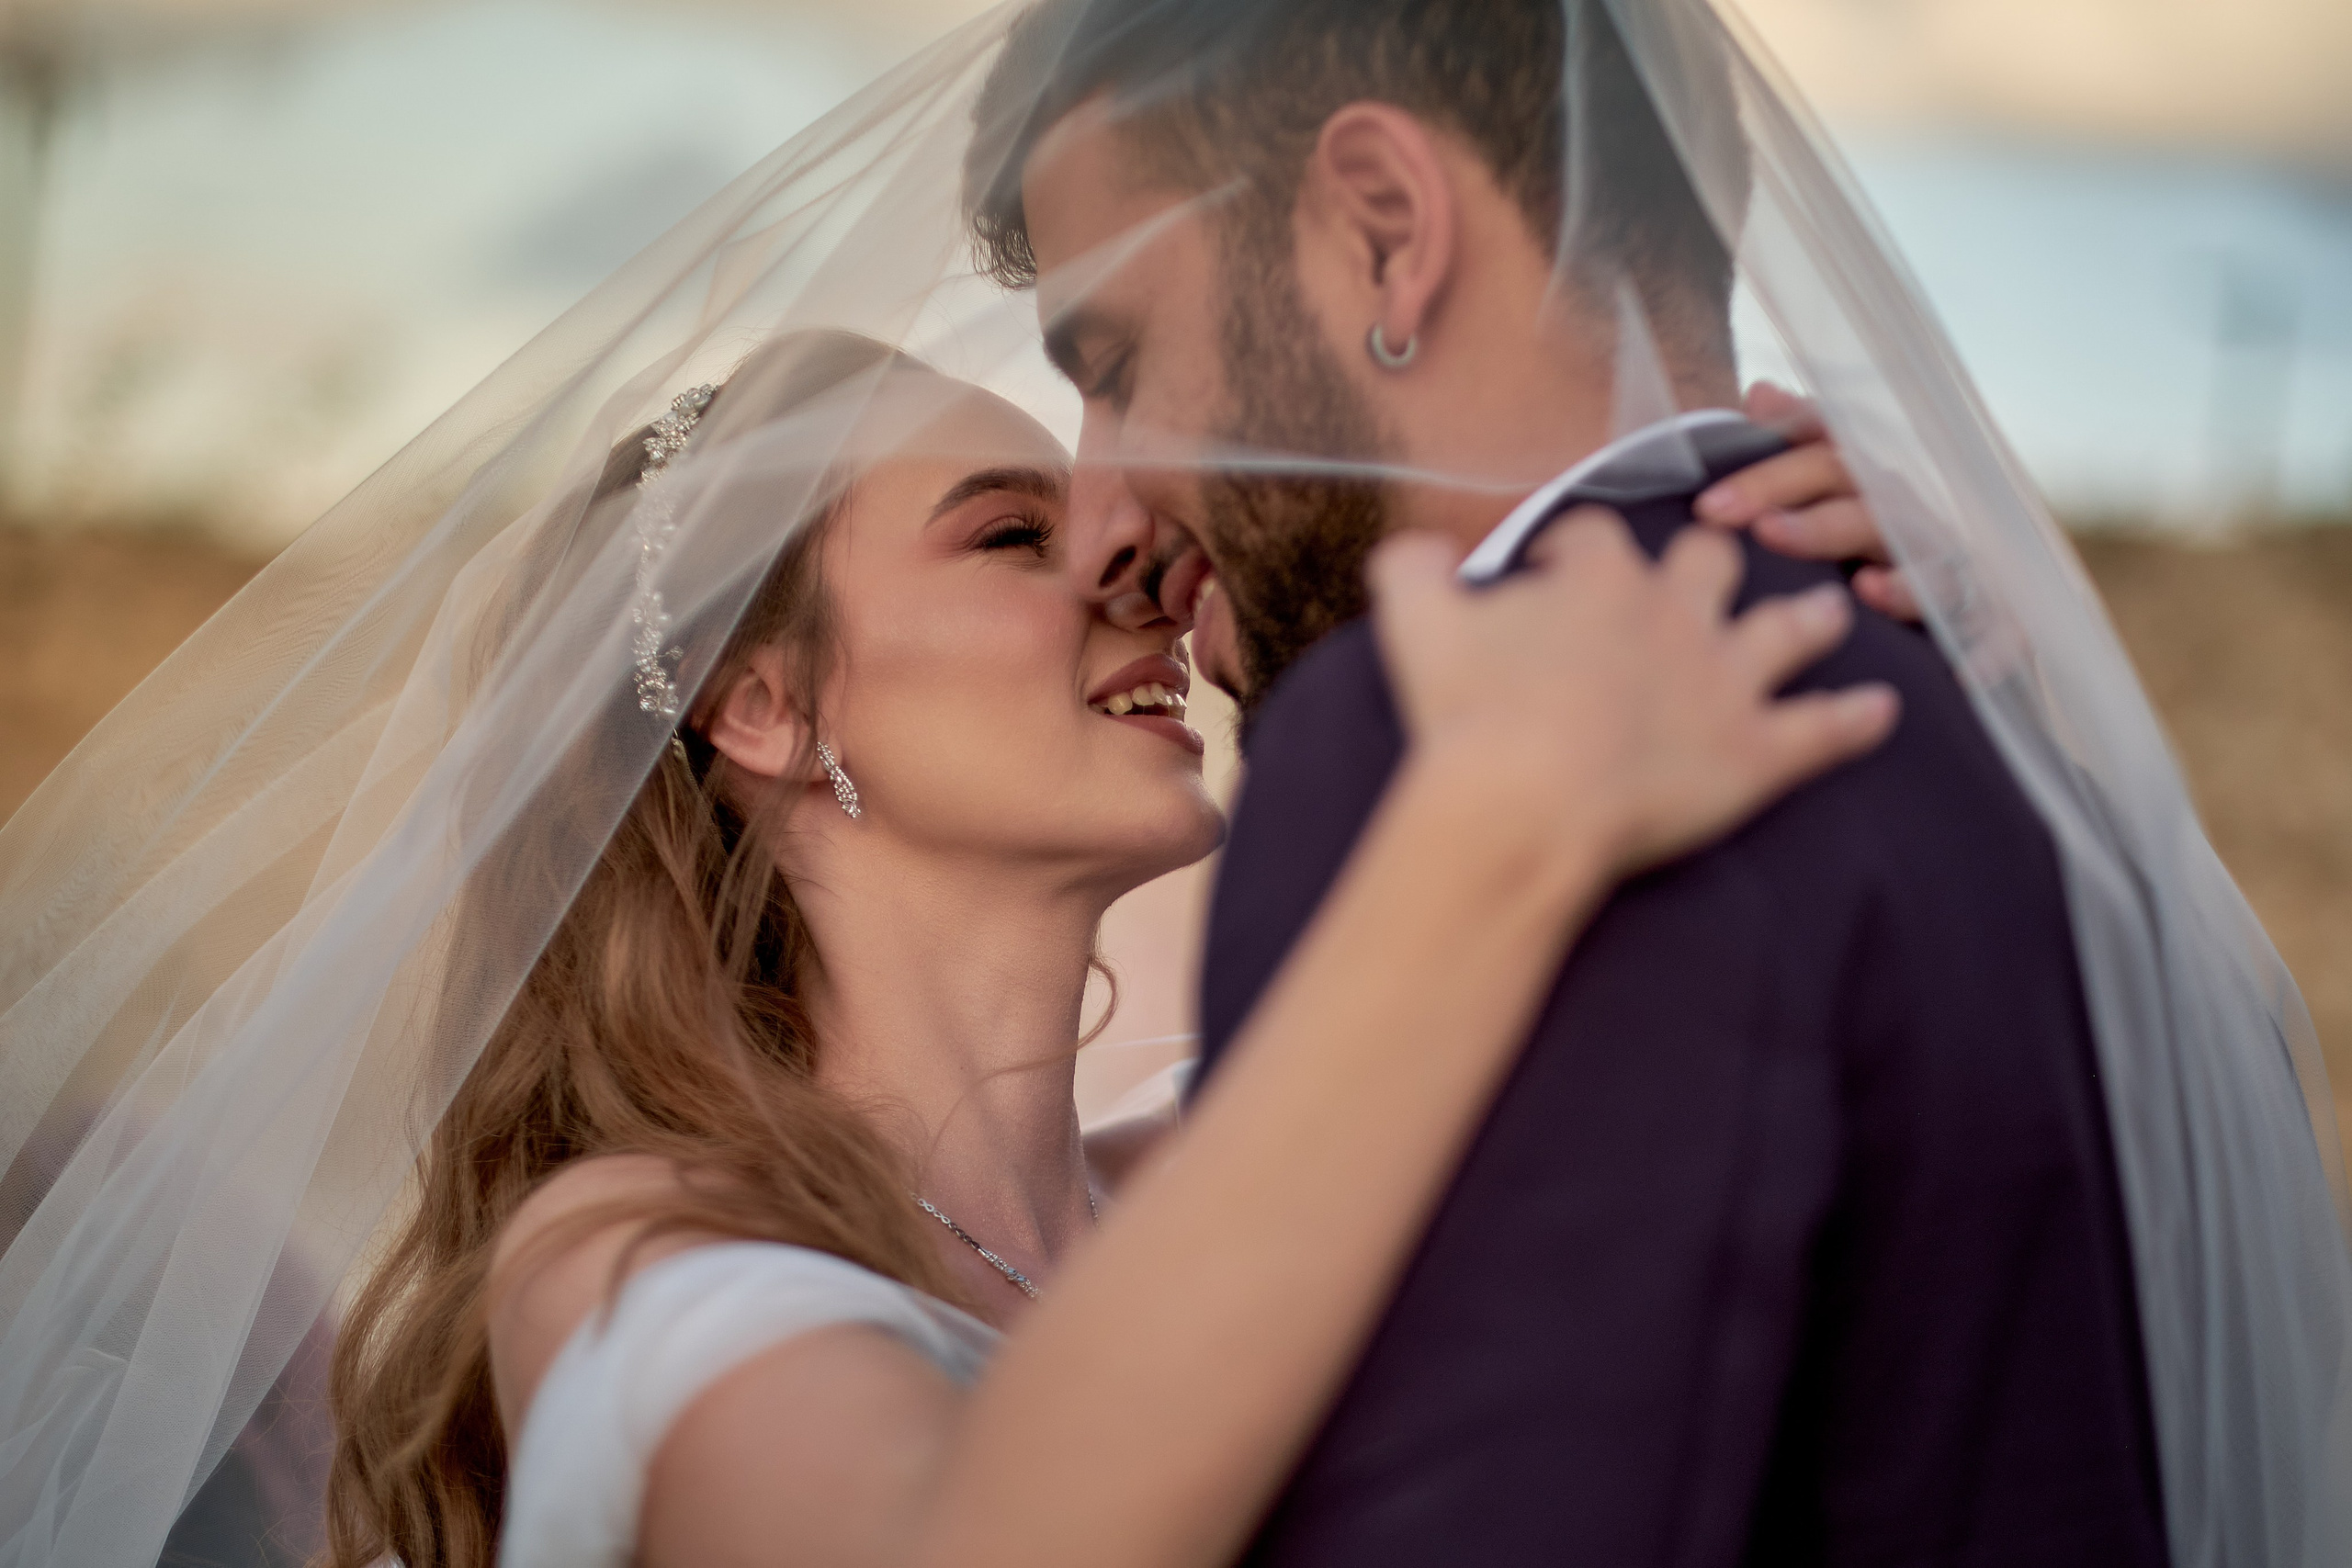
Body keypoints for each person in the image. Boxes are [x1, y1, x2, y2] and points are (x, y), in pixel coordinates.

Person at [317, 328, 1890, 1568]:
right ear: (764, 705)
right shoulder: (624, 1251)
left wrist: (1885, 620)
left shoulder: (1256, 1147)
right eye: (1011, 534)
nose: (1128, 567)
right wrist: (1479, 840)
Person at [972, 0, 2172, 1561]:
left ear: (1390, 235)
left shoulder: (1436, 740)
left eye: (1120, 362)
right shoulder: (2013, 737)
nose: (1104, 513)